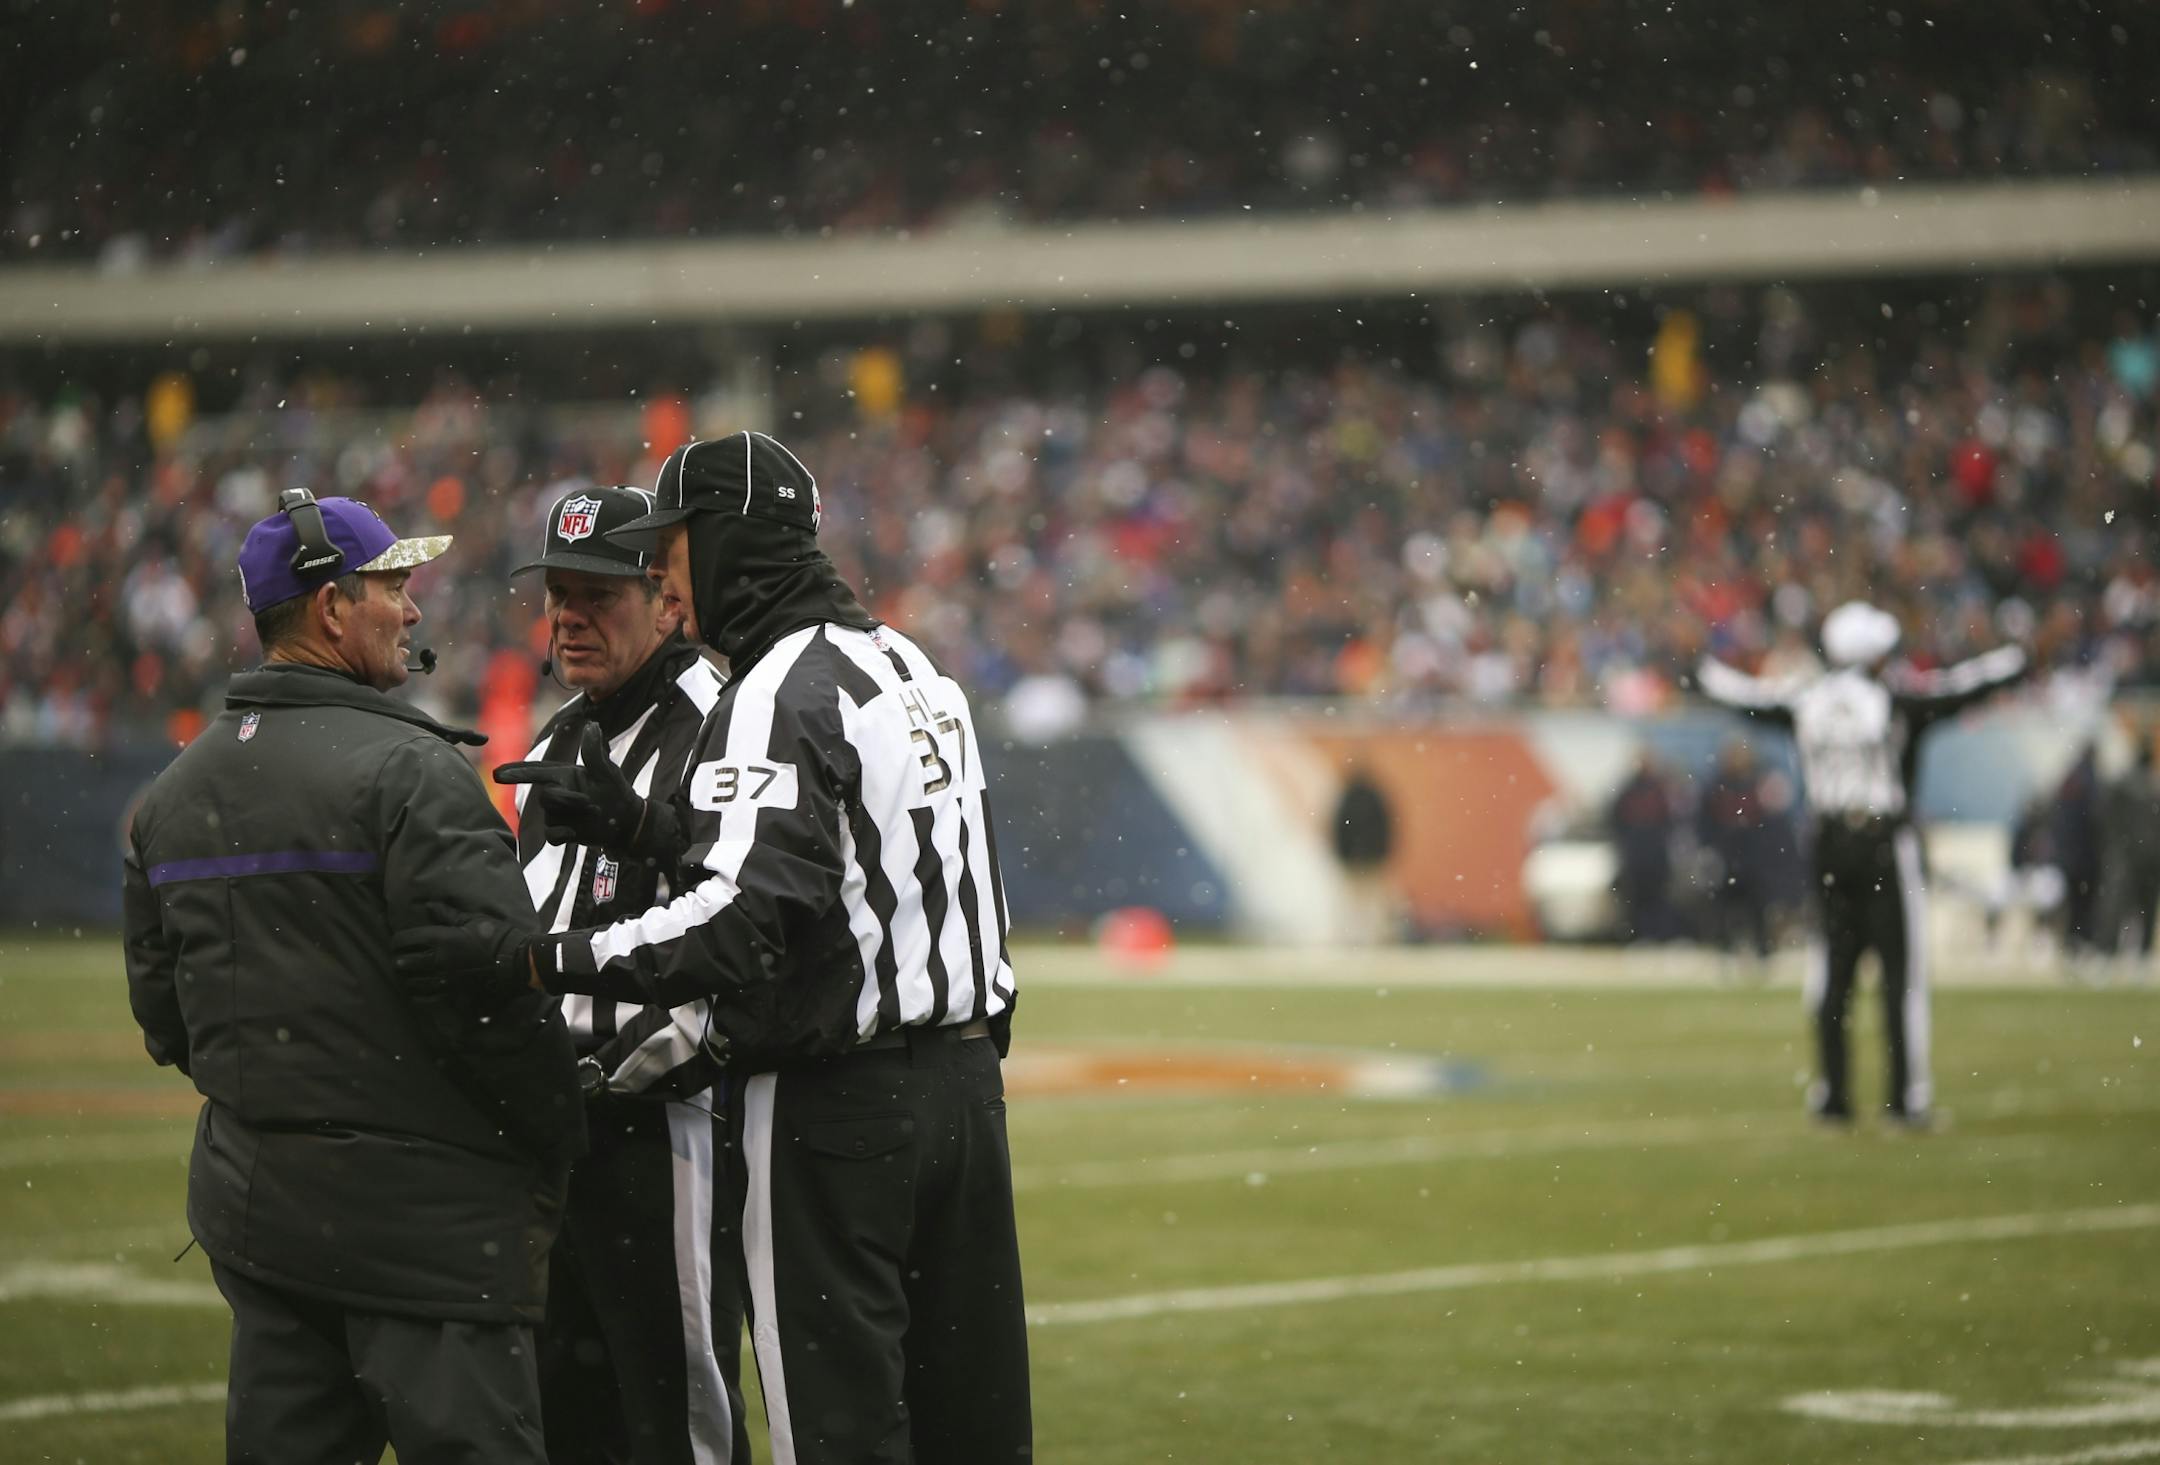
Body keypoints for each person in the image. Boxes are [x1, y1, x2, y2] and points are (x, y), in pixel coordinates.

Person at [401, 432, 1032, 1464]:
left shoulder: (774, 689)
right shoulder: (910, 665)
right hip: (966, 1088)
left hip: (837, 1101)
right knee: (973, 1418)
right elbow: (854, 874)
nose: (666, 577)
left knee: (837, 1425)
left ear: (725, 539)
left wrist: (535, 959)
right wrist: (652, 832)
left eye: (672, 547)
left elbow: (740, 928)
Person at [122, 489, 584, 1465]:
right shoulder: (410, 771)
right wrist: (555, 1143)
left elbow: (168, 1022)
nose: (411, 609)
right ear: (332, 608)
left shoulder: (171, 795)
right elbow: (499, 1000)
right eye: (392, 586)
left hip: (263, 1219)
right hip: (428, 1235)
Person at [496, 485, 750, 1465]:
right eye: (558, 593)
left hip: (665, 1135)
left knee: (678, 1420)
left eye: (596, 594)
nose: (569, 617)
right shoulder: (562, 737)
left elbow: (739, 943)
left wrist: (595, 1078)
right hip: (557, 1143)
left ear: (662, 596)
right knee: (567, 1415)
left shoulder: (721, 726)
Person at [1698, 600, 2028, 1127]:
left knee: (1833, 976)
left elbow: (1741, 697)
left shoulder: (1807, 700)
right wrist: (2013, 660)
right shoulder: (1894, 700)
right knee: (1902, 978)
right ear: (1874, 653)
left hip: (1828, 845)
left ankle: (1833, 1095)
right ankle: (1906, 1098)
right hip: (1883, 845)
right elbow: (1960, 690)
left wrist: (1703, 668)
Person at [1696, 737, 1778, 973]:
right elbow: (1706, 822)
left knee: (1757, 908)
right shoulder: (1717, 786)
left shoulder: (1758, 784)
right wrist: (1710, 850)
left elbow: (1770, 823)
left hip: (1752, 858)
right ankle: (1727, 951)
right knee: (1726, 909)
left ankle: (1762, 953)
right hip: (1728, 857)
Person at [1608, 750, 1679, 943]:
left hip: (1656, 855)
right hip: (1635, 856)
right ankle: (1639, 936)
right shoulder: (1628, 791)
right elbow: (1615, 820)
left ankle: (1660, 936)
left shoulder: (1660, 790)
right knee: (1635, 899)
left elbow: (1672, 820)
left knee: (1659, 898)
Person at [1330, 763, 1399, 944]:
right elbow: (1385, 827)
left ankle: (1353, 938)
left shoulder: (1347, 798)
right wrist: (1381, 853)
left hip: (1354, 860)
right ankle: (1374, 938)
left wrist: (1344, 854)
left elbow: (1339, 829)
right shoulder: (1374, 798)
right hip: (1370, 859)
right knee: (1373, 904)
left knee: (1354, 904)